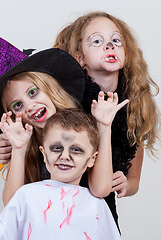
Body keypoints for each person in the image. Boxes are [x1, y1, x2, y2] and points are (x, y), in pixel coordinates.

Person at [0, 33, 127, 208]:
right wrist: (18, 150)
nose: (30, 106)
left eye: (32, 92)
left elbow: (101, 189)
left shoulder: (83, 127)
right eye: (18, 105)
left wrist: (104, 126)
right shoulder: (26, 142)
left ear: (50, 88)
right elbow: (12, 205)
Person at [53, 11, 160, 227]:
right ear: (79, 58)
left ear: (126, 53)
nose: (109, 45)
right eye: (97, 41)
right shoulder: (65, 101)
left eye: (116, 40)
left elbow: (133, 179)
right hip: (59, 211)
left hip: (102, 215)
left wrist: (127, 184)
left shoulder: (134, 105)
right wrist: (6, 145)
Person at [0, 109, 121, 240]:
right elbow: (3, 231)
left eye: (76, 150)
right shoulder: (27, 194)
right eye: (56, 148)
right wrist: (18, 150)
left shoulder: (95, 205)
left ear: (92, 159)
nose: (65, 156)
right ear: (44, 154)